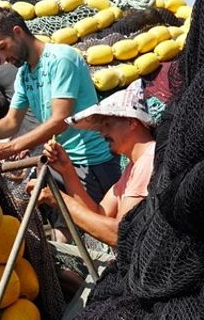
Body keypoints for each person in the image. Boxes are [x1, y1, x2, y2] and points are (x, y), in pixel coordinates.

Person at [0, 7, 120, 202]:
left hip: (91, 162)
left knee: (98, 227)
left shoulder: (61, 59)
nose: (3, 58)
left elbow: (60, 120)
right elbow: (11, 122)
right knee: (62, 228)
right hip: (60, 160)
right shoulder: (24, 74)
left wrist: (10, 148)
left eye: (2, 47)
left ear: (17, 32)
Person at [40, 82, 157, 249]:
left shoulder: (148, 160)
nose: (103, 134)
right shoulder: (133, 166)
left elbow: (120, 235)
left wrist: (61, 200)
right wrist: (67, 171)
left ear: (132, 122)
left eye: (107, 125)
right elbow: (99, 213)